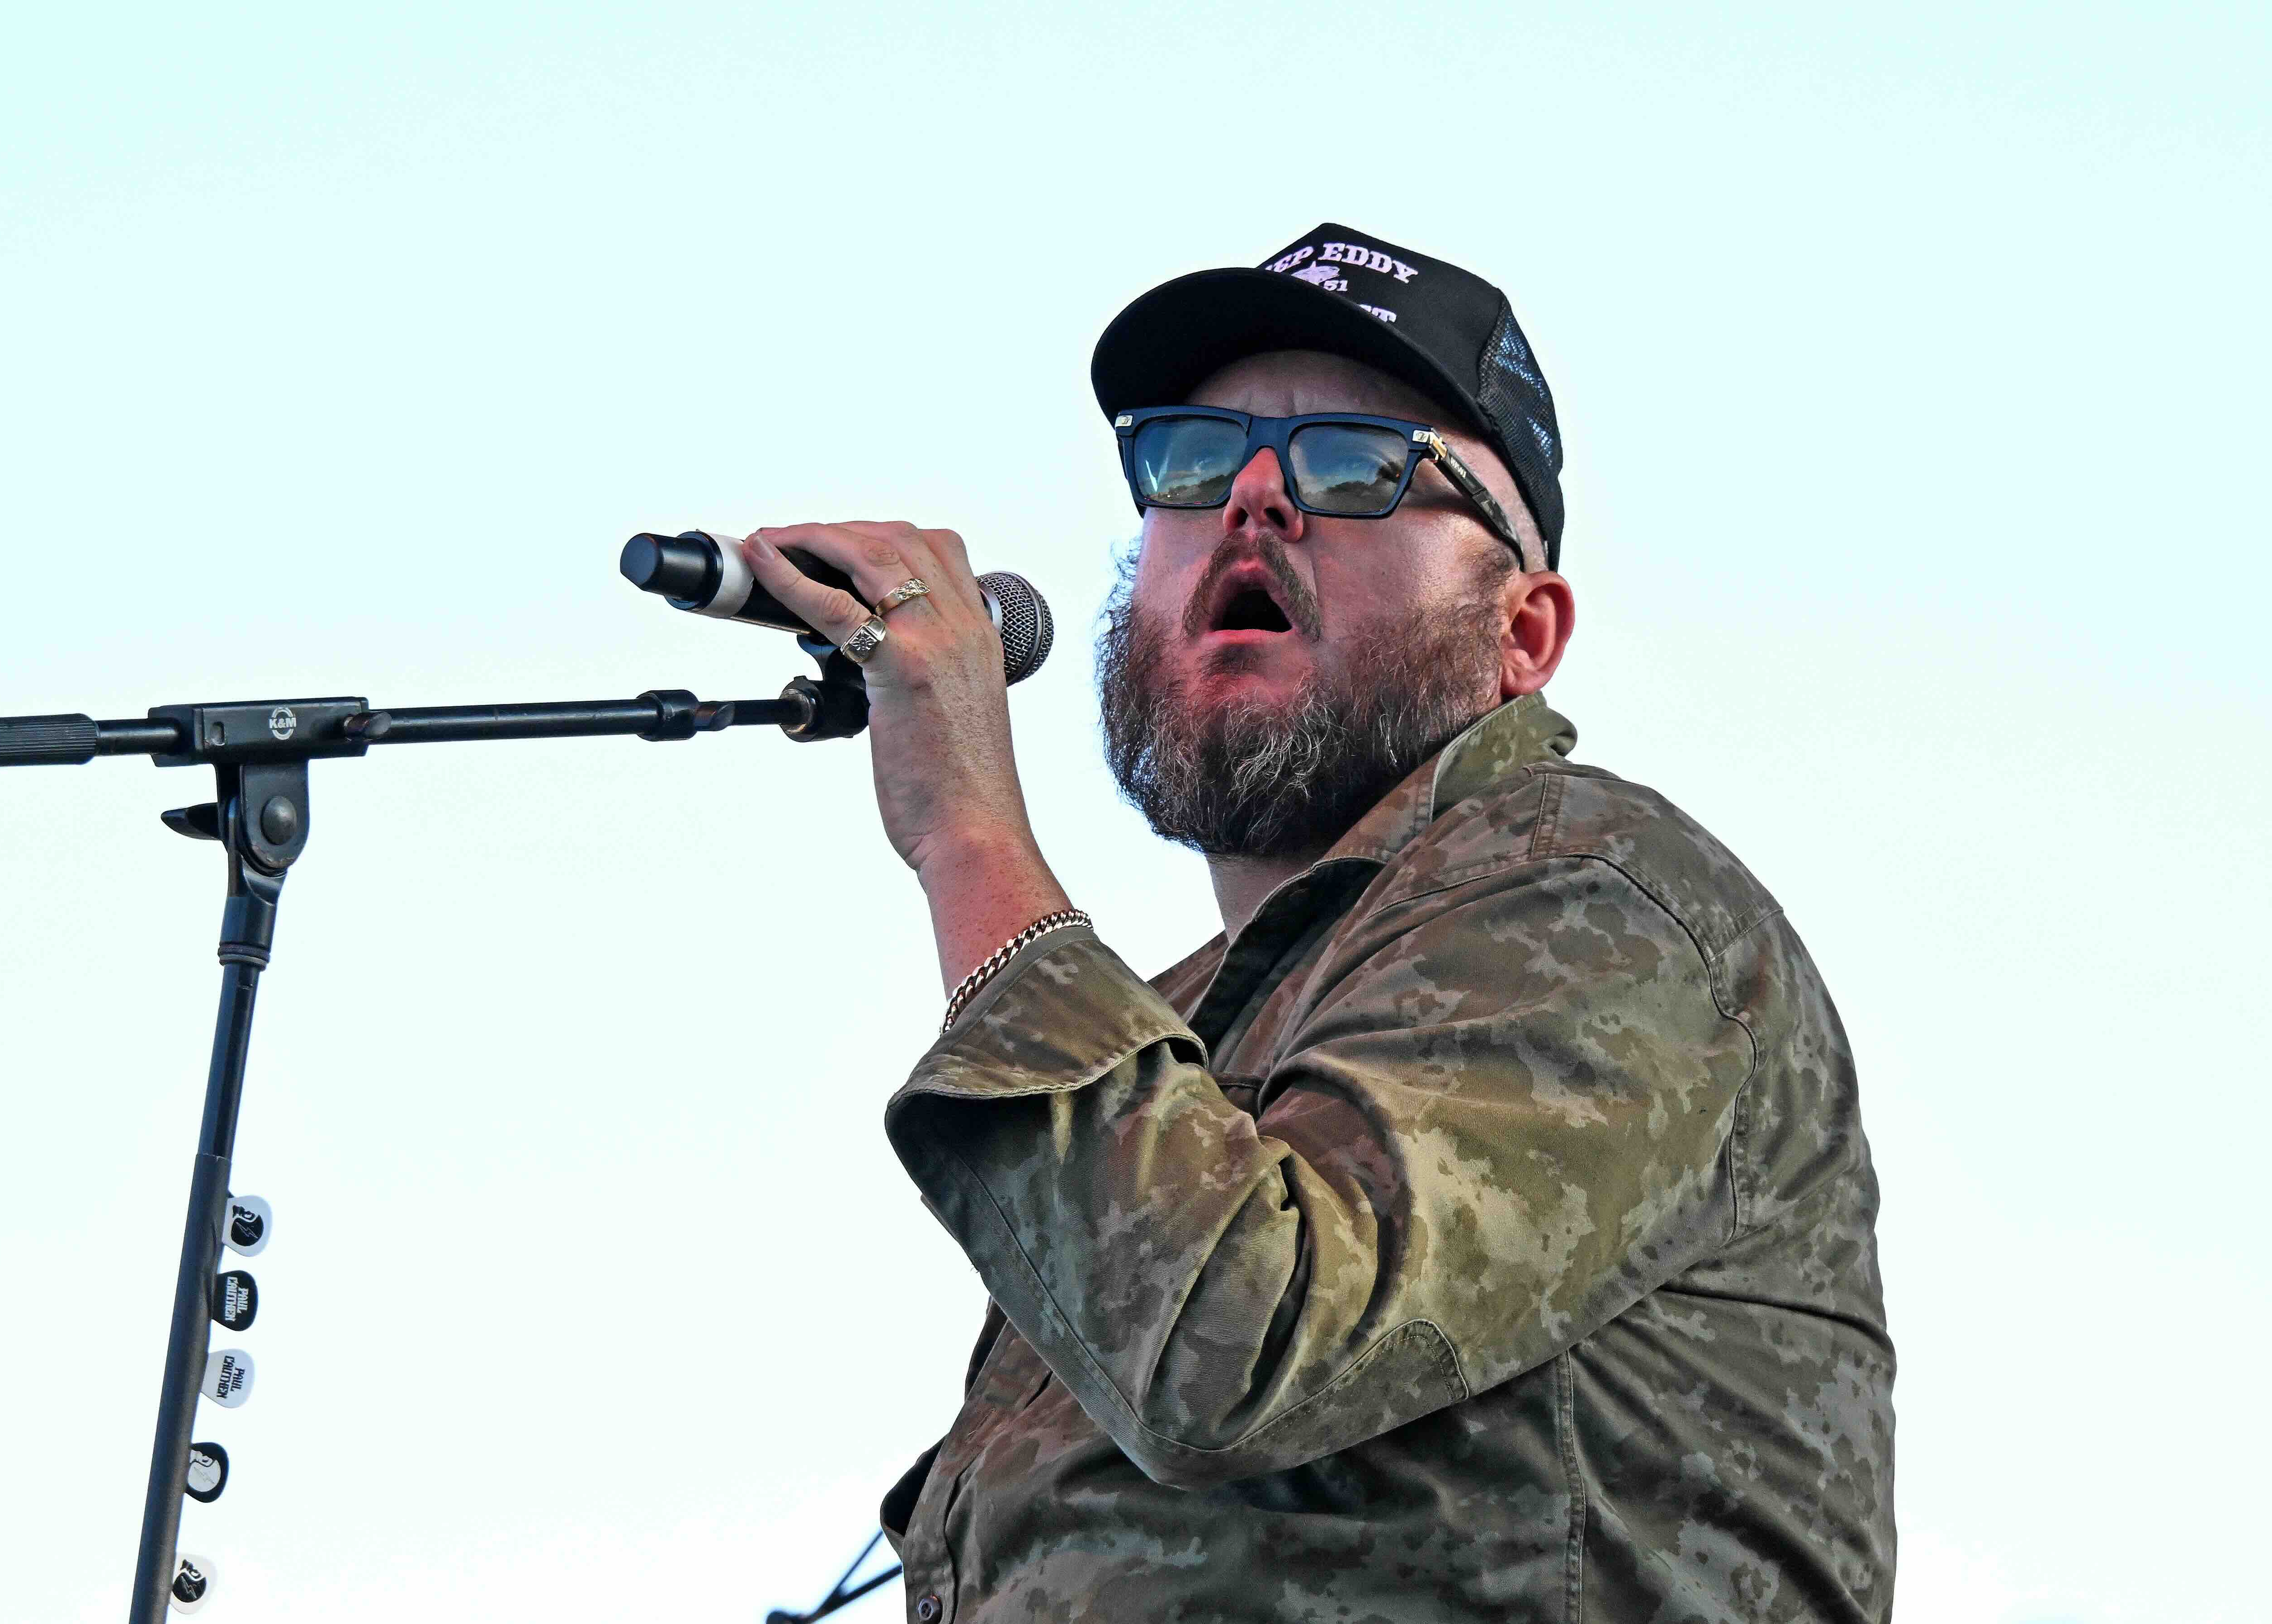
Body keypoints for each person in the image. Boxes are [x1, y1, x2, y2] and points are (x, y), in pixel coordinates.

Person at [739, 224, 1895, 1623]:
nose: (1256, 499)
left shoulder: (1607, 899)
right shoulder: (1177, 1024)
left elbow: (1227, 1344)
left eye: (1355, 465)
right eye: (1194, 458)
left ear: (1523, 636)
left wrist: (971, 837)